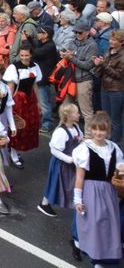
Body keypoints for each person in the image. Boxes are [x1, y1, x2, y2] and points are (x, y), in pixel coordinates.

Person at [73, 112, 124, 267]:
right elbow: (80, 177)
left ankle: (108, 256)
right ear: (90, 129)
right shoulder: (85, 149)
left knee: (109, 224)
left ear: (108, 131)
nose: (98, 133)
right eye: (95, 129)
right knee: (95, 224)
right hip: (91, 191)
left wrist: (121, 172)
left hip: (108, 191)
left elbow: (119, 168)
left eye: (102, 130)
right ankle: (97, 259)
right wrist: (77, 199)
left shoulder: (114, 148)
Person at [38, 103, 82, 218]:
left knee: (61, 183)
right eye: (77, 112)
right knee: (55, 183)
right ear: (69, 116)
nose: (79, 114)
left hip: (71, 163)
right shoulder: (61, 132)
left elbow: (80, 140)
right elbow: (54, 150)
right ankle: (44, 204)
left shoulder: (76, 127)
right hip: (61, 164)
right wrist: (69, 159)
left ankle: (45, 203)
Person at [4, 47, 42, 168]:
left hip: (30, 100)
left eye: (26, 55)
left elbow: (35, 86)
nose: (24, 58)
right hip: (18, 100)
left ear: (31, 55)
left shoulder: (35, 66)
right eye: (22, 55)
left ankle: (16, 149)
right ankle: (14, 154)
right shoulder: (14, 67)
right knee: (18, 126)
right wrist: (8, 104)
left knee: (31, 125)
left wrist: (39, 102)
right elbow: (10, 87)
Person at [92, 30, 124, 144]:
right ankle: (106, 141)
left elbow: (118, 74)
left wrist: (103, 64)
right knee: (106, 117)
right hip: (104, 86)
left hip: (117, 90)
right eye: (111, 39)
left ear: (121, 42)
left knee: (115, 120)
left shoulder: (122, 55)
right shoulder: (108, 51)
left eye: (114, 40)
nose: (110, 41)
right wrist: (98, 63)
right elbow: (104, 67)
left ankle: (116, 143)